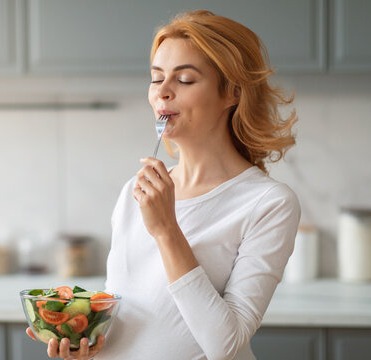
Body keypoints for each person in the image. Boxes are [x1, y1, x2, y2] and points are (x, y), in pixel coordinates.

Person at [26, 10, 300, 360]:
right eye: (157, 79)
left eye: (184, 80)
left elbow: (226, 346)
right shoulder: (136, 191)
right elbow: (130, 306)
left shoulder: (268, 203)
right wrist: (91, 340)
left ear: (232, 92)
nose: (163, 93)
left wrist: (167, 230)